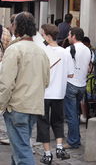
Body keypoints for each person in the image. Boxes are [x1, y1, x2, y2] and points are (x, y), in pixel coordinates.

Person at [0, 12, 50, 165]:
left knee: (22, 151)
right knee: (19, 149)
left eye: (13, 24)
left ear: (17, 27)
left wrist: (1, 105)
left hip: (17, 106)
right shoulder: (41, 51)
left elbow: (6, 84)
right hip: (33, 106)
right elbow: (46, 81)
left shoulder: (14, 50)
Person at [37, 24, 74, 164]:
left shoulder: (42, 51)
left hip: (44, 93)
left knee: (43, 123)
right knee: (58, 121)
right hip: (59, 93)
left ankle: (47, 153)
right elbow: (71, 74)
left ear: (47, 35)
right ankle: (59, 147)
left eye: (42, 34)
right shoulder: (65, 52)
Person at [63, 27, 92, 149]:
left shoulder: (68, 49)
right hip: (82, 84)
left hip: (71, 83)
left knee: (71, 115)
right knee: (74, 113)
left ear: (74, 36)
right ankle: (76, 138)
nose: (68, 37)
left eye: (69, 35)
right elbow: (90, 66)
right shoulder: (88, 50)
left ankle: (73, 141)